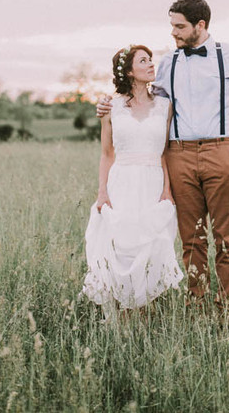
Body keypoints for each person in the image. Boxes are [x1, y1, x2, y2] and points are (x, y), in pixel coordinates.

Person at [97, 0, 229, 321]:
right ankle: (195, 311)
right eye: (172, 25)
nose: (173, 32)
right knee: (191, 239)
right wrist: (107, 103)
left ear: (200, 25)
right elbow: (142, 96)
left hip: (221, 151)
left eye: (179, 26)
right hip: (179, 156)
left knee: (226, 238)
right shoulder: (169, 62)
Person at [82, 44, 183, 312]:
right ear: (128, 71)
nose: (151, 64)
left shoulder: (164, 105)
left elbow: (166, 153)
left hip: (152, 182)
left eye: (151, 60)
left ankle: (145, 313)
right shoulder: (110, 107)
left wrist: (167, 190)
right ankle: (119, 315)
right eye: (143, 61)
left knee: (152, 245)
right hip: (121, 181)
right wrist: (102, 193)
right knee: (119, 246)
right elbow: (106, 153)